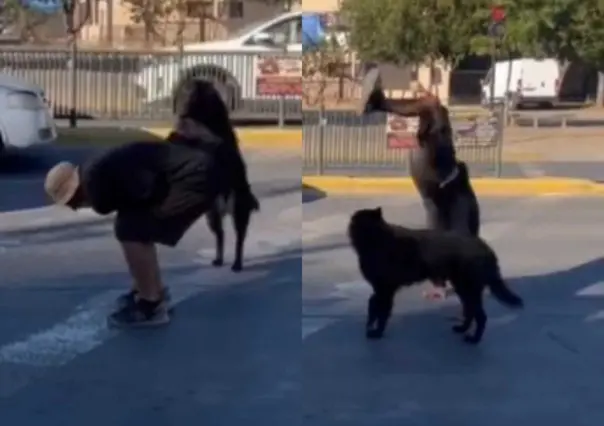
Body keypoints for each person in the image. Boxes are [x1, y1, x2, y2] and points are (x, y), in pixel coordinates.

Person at [44, 80, 256, 328]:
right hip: (201, 168)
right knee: (135, 225)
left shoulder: (96, 185)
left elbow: (143, 187)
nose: (78, 209)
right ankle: (150, 290)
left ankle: (150, 304)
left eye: (73, 204)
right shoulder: (95, 169)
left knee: (132, 228)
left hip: (198, 175)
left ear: (74, 196)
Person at [357, 70, 481, 300]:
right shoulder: (436, 132)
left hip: (431, 179)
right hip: (440, 179)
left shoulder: (431, 130)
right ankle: (445, 280)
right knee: (452, 233)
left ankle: (379, 103)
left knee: (441, 230)